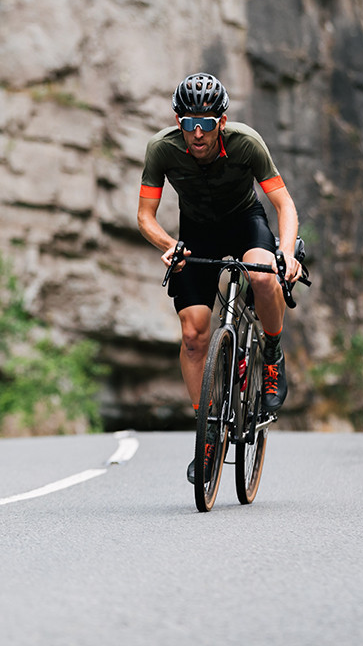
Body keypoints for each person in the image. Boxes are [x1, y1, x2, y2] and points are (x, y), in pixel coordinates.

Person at [137, 72, 303, 483]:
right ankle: (208, 428)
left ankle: (272, 353)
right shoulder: (162, 149)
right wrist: (168, 244)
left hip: (245, 224)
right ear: (179, 122)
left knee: (264, 279)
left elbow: (283, 204)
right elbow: (145, 216)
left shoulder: (247, 143)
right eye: (189, 123)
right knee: (194, 333)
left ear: (221, 123)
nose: (197, 133)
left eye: (206, 124)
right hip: (196, 233)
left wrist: (285, 253)